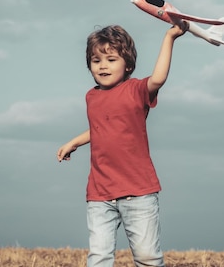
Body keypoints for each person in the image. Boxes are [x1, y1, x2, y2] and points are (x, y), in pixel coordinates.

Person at [57, 22, 188, 267]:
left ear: (127, 64)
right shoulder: (92, 96)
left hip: (138, 192)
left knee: (148, 257)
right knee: (98, 258)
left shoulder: (136, 90)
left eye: (111, 59)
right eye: (96, 60)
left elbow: (158, 78)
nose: (102, 65)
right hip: (100, 193)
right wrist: (74, 142)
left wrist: (170, 37)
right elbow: (100, 128)